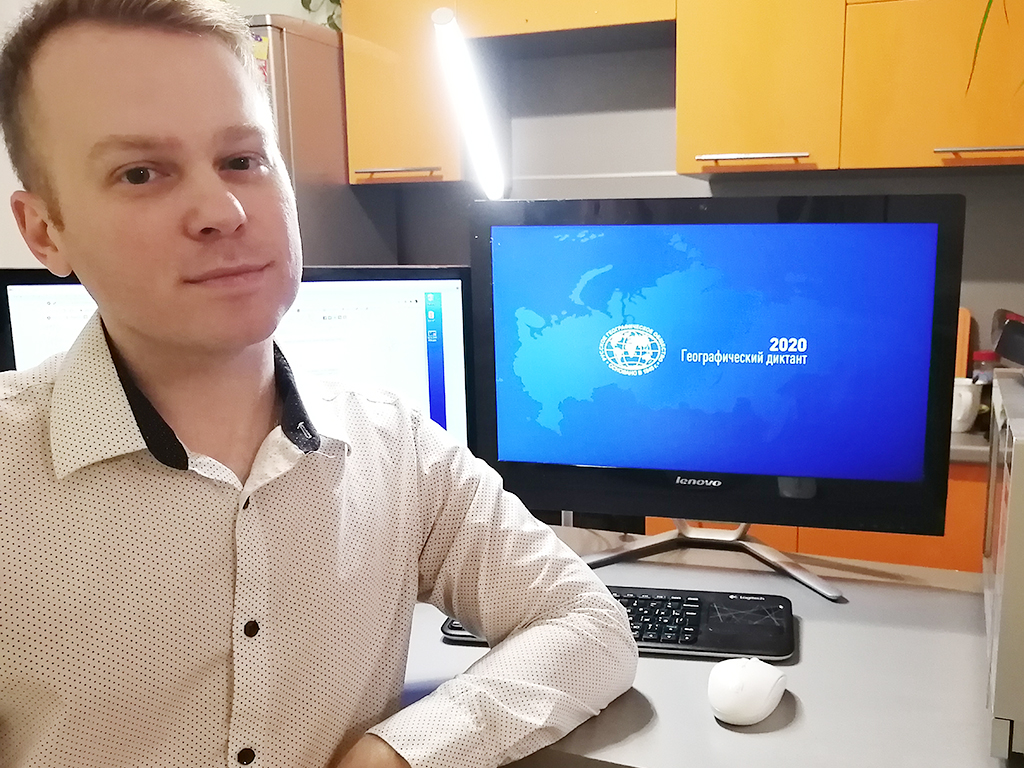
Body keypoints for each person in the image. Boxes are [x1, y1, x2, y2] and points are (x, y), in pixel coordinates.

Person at [0, 0, 638, 765]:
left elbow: (585, 623)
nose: (222, 210)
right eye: (140, 172)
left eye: (243, 160)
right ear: (44, 231)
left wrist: (403, 752)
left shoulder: (399, 453)